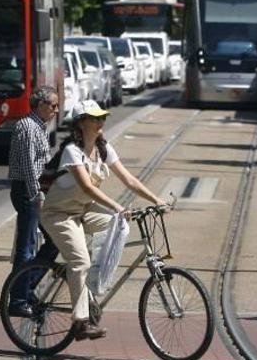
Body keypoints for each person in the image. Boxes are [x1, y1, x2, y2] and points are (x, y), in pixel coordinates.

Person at [40, 100, 165, 341]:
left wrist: (156, 199)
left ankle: (88, 284)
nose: (101, 122)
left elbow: (129, 180)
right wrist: (118, 206)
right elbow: (87, 187)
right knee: (80, 260)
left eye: (102, 118)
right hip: (58, 214)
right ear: (81, 123)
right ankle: (80, 322)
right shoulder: (72, 151)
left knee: (118, 226)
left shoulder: (103, 149)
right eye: (95, 118)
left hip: (83, 210)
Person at [7, 86, 60, 317]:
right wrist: (36, 193)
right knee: (26, 247)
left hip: (36, 190)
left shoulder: (39, 126)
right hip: (28, 191)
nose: (56, 110)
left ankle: (27, 287)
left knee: (54, 240)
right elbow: (29, 166)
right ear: (40, 105)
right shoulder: (28, 127)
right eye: (53, 105)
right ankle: (18, 300)